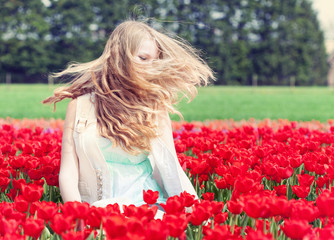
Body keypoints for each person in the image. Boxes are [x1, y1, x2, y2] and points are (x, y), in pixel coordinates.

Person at [43, 20, 214, 214]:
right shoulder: (79, 106)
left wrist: (199, 214)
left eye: (154, 61)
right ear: (117, 54)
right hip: (97, 212)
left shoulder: (154, 107)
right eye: (143, 58)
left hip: (146, 209)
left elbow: (170, 166)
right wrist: (76, 214)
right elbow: (68, 171)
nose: (150, 67)